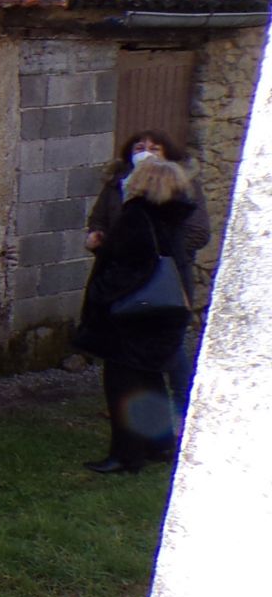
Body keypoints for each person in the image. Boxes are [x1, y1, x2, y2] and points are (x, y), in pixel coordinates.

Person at [74, 155, 197, 473]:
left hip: (133, 319)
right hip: (164, 313)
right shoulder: (172, 216)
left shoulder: (136, 217)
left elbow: (130, 267)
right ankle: (160, 443)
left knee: (123, 385)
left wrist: (102, 295)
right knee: (151, 379)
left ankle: (126, 456)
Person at [86, 130, 210, 419]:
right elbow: (100, 220)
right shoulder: (117, 186)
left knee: (169, 343)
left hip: (167, 277)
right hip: (125, 277)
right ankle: (132, 407)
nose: (146, 152)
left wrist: (154, 251)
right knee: (127, 344)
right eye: (140, 147)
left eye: (154, 148)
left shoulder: (182, 188)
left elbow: (197, 232)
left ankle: (183, 406)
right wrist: (101, 240)